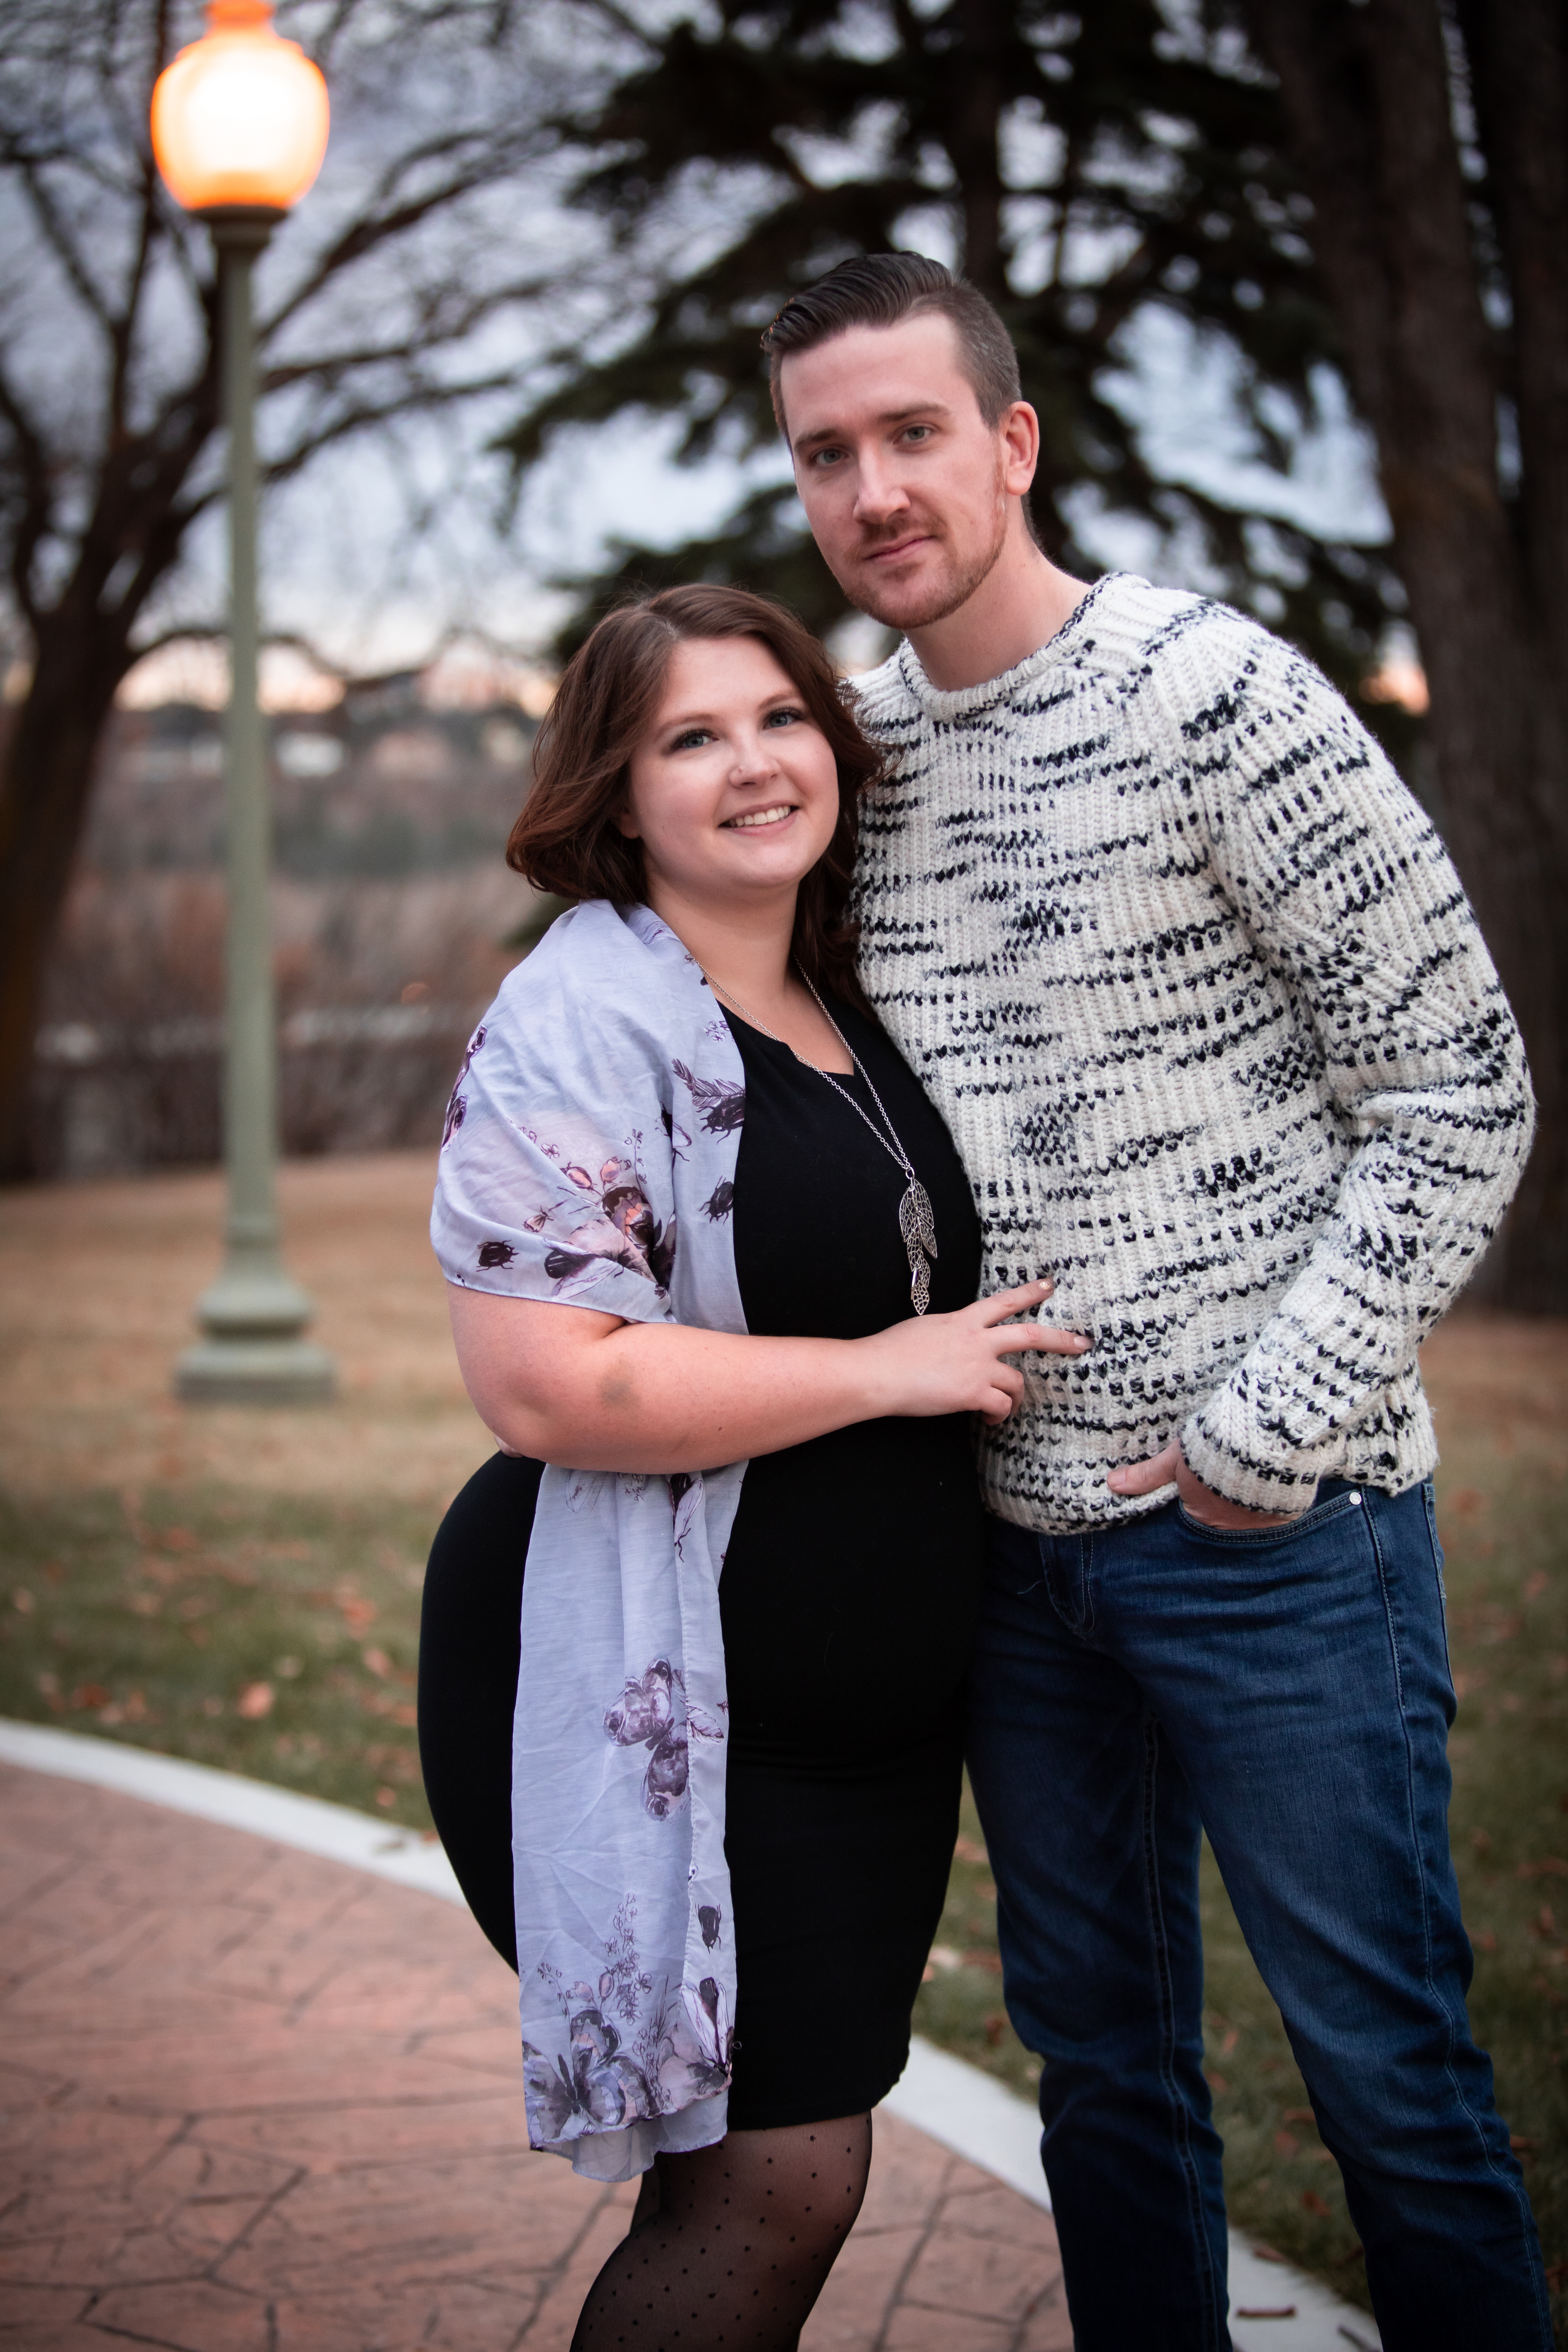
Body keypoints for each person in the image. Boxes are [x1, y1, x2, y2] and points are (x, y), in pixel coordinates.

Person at [758, 252, 1552, 2352]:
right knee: (1104, 2085)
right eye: (826, 454)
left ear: (1012, 443)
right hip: (1010, 1565)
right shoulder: (854, 761)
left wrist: (1258, 1437)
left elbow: (1463, 1089)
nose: (873, 491)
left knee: (1390, 2091)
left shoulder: (1218, 696)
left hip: (1279, 1541)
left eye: (913, 434)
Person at [416, 581, 1087, 2352]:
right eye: (691, 738)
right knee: (773, 2180)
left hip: (863, 1726)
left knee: (793, 2163)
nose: (755, 764)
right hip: (662, 1686)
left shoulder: (848, 991)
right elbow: (546, 1386)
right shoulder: (580, 1016)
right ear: (618, 791)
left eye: (782, 717)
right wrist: (883, 1373)